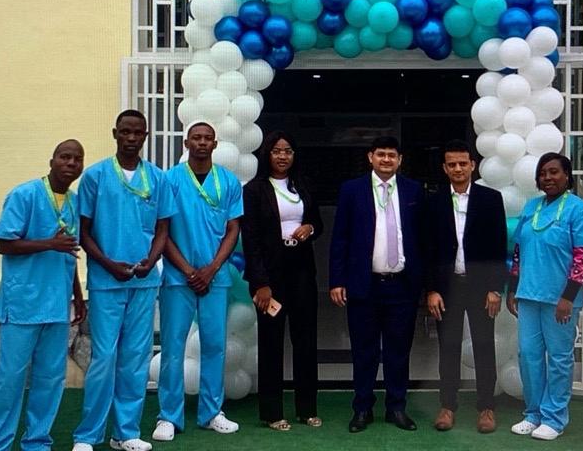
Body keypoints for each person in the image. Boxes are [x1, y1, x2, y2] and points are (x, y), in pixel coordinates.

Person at [73, 111, 174, 451]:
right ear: (115, 133)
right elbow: (84, 231)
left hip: (143, 282)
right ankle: (87, 436)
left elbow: (163, 229)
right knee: (104, 357)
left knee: (135, 358)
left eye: (138, 133)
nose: (131, 138)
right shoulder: (95, 176)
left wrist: (152, 260)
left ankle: (125, 433)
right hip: (107, 282)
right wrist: (107, 264)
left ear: (146, 136)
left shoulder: (157, 178)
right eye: (125, 132)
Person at [0, 139, 87, 451]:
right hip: (22, 304)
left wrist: (77, 295)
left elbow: (69, 252)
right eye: (65, 157)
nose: (71, 163)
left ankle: (37, 442)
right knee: (10, 380)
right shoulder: (24, 195)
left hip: (56, 304)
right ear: (52, 161)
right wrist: (48, 243)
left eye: (77, 159)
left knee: (50, 379)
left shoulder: (74, 202)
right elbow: (4, 244)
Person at [153, 121, 243, 441]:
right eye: (196, 138)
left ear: (215, 144)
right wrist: (189, 271)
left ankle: (211, 412)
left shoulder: (228, 181)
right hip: (179, 278)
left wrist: (212, 268)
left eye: (208, 138)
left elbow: (233, 229)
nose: (202, 143)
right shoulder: (169, 180)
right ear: (186, 142)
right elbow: (162, 231)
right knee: (173, 347)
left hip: (215, 278)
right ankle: (168, 416)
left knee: (215, 345)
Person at [329, 135, 423, 433]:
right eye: (380, 154)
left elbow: (423, 238)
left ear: (400, 160)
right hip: (363, 284)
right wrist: (337, 280)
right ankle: (362, 408)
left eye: (391, 155)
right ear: (370, 157)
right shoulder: (352, 190)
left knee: (398, 351)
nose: (386, 159)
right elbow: (340, 238)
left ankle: (396, 408)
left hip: (402, 286)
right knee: (364, 351)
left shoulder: (414, 190)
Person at [507, 152, 583, 442]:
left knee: (559, 358)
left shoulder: (579, 209)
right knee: (528, 355)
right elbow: (518, 251)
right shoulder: (531, 206)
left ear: (567, 176)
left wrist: (568, 297)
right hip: (528, 295)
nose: (548, 178)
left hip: (560, 300)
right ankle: (533, 413)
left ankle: (554, 417)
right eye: (543, 173)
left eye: (554, 172)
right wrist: (513, 288)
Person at [241, 130, 324, 431]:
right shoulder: (255, 189)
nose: (282, 156)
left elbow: (318, 223)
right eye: (276, 150)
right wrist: (260, 283)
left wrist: (309, 228)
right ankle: (272, 412)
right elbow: (250, 240)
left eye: (288, 150)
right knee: (271, 342)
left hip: (301, 268)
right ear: (267, 154)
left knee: (306, 340)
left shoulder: (303, 184)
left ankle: (307, 409)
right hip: (270, 273)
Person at [423, 139, 508, 433]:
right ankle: (448, 405)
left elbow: (498, 245)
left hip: (481, 287)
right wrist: (431, 289)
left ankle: (486, 407)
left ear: (472, 165)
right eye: (452, 164)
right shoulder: (433, 202)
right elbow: (428, 249)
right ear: (444, 168)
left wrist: (495, 288)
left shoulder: (490, 199)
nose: (458, 168)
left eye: (463, 163)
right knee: (448, 347)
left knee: (484, 346)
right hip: (447, 287)